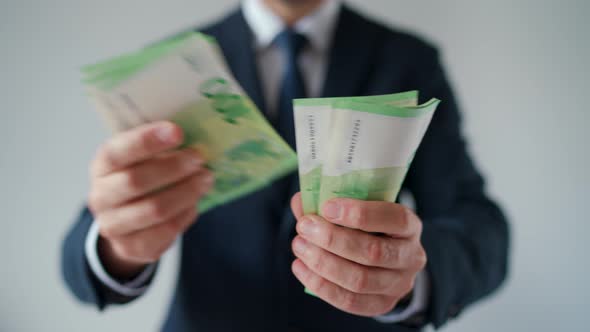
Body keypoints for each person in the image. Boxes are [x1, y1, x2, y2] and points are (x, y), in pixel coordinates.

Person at [61, 0, 510, 331]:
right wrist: (119, 244)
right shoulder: (168, 65)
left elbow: (479, 225)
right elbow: (80, 255)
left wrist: (414, 274)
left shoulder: (409, 61)